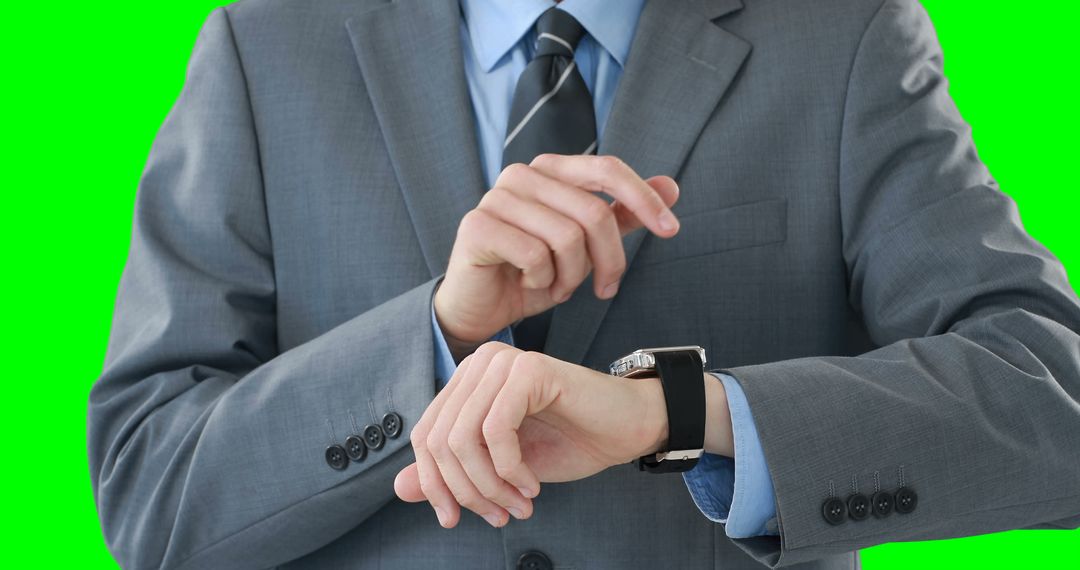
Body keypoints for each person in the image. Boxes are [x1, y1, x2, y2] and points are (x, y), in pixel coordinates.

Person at [88, 0, 1080, 568]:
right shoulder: (265, 51)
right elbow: (151, 493)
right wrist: (433, 343)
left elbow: (1055, 406)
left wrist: (679, 415)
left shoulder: (845, 36)